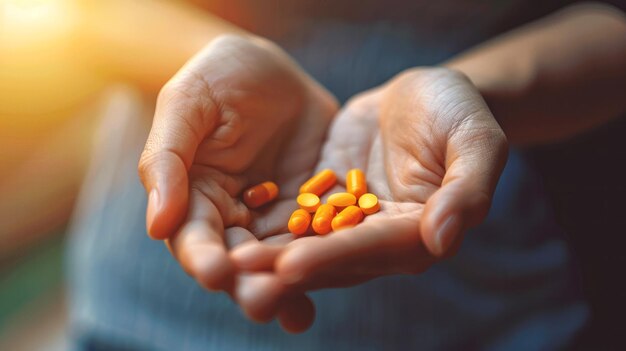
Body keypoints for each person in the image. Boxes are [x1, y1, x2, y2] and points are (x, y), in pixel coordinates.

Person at [68, 1, 626, 350]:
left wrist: (472, 90)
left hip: (471, 311)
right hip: (144, 310)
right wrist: (204, 65)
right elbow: (87, 13)